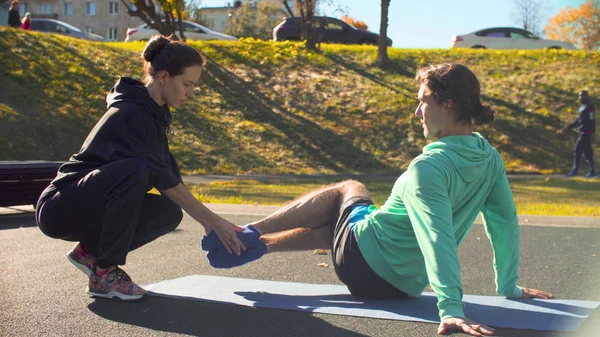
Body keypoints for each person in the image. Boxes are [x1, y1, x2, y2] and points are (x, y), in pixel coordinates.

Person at [201, 63, 553, 336]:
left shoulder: (428, 167)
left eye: (422, 103)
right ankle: (262, 245)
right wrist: (508, 286)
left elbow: (437, 236)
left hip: (361, 261)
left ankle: (249, 231)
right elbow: (504, 222)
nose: (418, 113)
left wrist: (450, 308)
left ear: (446, 105)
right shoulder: (489, 158)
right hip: (402, 287)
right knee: (342, 226)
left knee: (348, 189)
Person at [36, 35, 245, 301]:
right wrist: (214, 222)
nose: (190, 94)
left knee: (168, 212)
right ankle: (103, 274)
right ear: (164, 77)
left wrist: (209, 222)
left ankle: (89, 252)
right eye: (187, 84)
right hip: (59, 207)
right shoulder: (132, 113)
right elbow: (163, 180)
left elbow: (170, 176)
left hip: (86, 205)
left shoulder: (153, 114)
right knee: (135, 170)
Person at [558, 90, 596, 178]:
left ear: (587, 96)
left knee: (577, 151)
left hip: (585, 132)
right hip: (581, 131)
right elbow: (578, 120)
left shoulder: (590, 107)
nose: (581, 97)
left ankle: (575, 171)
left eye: (582, 96)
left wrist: (590, 131)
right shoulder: (581, 107)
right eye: (579, 96)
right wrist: (567, 128)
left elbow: (592, 120)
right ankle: (592, 171)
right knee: (588, 153)